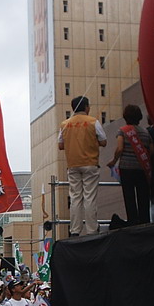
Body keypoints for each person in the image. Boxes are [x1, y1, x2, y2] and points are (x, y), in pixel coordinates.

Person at [58, 95, 108, 236]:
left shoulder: (65, 124)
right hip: (90, 164)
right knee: (89, 197)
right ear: (86, 107)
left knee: (75, 198)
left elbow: (60, 145)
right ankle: (91, 230)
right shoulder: (93, 122)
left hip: (73, 165)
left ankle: (75, 231)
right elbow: (104, 141)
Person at [107, 105, 154, 226]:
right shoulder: (146, 132)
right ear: (139, 117)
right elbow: (152, 151)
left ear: (125, 117)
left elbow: (119, 148)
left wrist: (113, 161)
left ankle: (132, 222)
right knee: (143, 197)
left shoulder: (122, 131)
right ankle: (144, 222)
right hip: (142, 169)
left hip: (126, 168)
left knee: (129, 197)